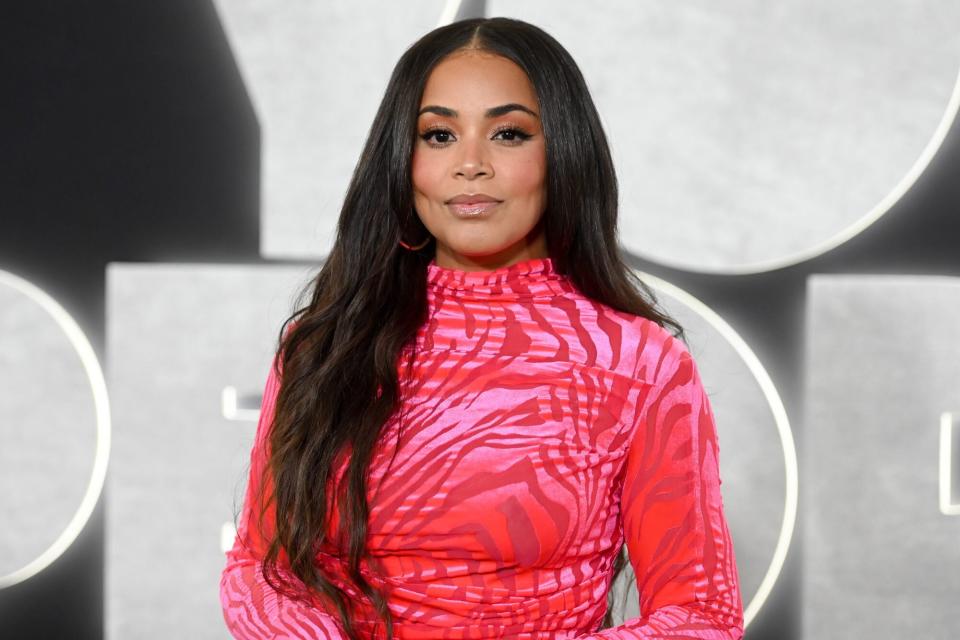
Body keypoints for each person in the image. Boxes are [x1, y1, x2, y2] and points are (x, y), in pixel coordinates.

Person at [220, 16, 743, 640]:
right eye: (439, 135)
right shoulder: (325, 345)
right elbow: (260, 571)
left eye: (508, 133)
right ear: (402, 160)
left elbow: (699, 617)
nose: (470, 164)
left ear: (563, 152)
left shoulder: (639, 364)